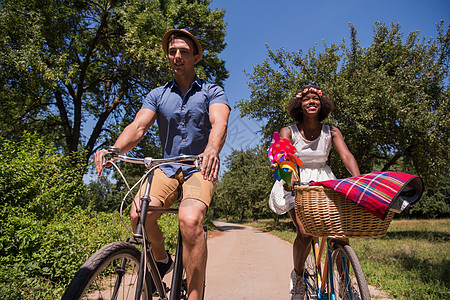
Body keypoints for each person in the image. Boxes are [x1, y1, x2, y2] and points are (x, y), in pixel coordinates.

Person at [94, 28, 230, 300]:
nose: (177, 56)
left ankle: (193, 295)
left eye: (184, 52)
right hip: (166, 167)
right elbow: (139, 127)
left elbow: (220, 123)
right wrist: (115, 148)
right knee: (138, 216)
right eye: (172, 52)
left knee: (190, 221)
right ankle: (161, 259)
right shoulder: (157, 94)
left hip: (199, 166)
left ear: (196, 57)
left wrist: (211, 150)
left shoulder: (212, 91)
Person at [279, 85, 360, 299]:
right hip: (296, 181)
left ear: (322, 104)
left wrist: (358, 179)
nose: (311, 102)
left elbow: (346, 155)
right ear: (299, 105)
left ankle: (345, 283)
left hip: (325, 182)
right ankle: (298, 278)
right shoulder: (288, 131)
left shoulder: (331, 131)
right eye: (306, 99)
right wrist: (290, 181)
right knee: (306, 233)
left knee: (339, 234)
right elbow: (283, 158)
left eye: (315, 98)